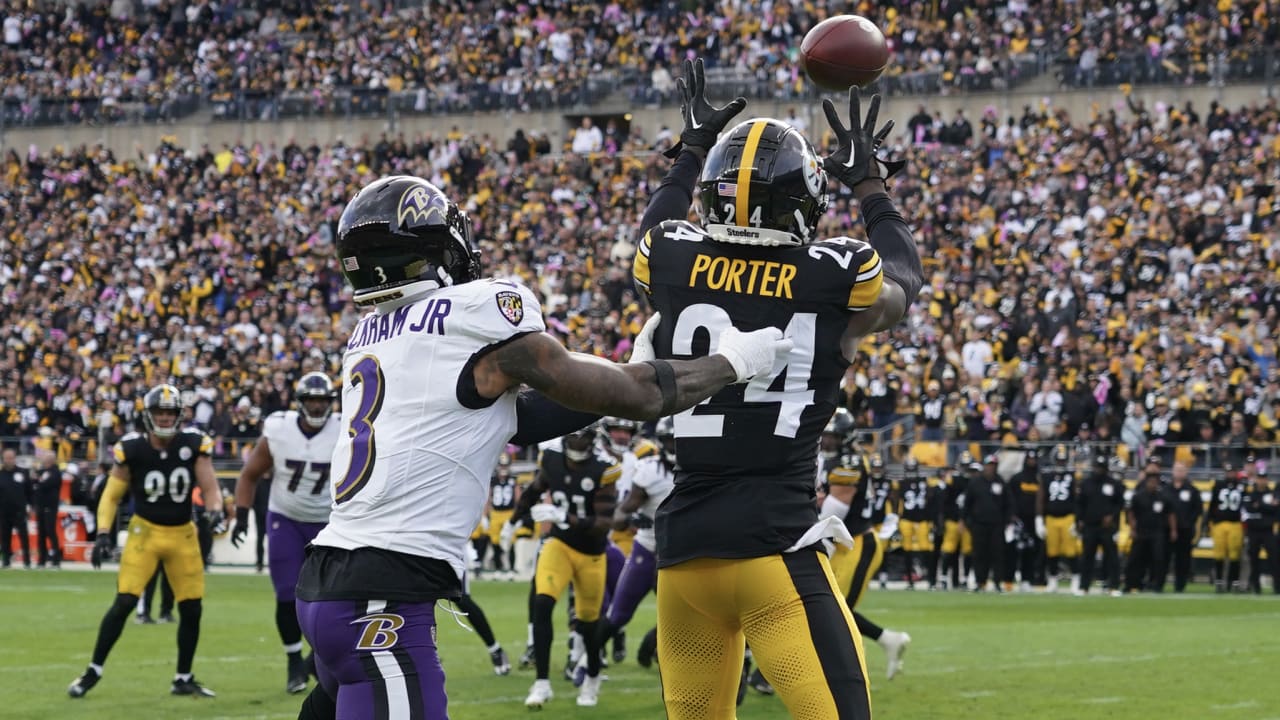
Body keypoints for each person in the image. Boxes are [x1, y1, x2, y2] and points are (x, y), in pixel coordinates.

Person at [291, 174, 788, 720]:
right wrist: (733, 363)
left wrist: (619, 374)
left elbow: (517, 420)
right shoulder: (477, 309)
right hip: (379, 600)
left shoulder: (372, 336)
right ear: (440, 249)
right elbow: (642, 397)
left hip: (326, 585)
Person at [638, 57, 922, 719]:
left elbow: (656, 224)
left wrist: (691, 150)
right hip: (775, 550)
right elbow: (905, 281)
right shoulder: (837, 272)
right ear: (805, 202)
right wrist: (870, 184)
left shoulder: (672, 257)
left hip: (684, 557)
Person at [68, 384, 224, 699]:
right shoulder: (132, 448)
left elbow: (209, 487)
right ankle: (93, 670)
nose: (165, 418)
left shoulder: (194, 444)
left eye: (170, 412)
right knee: (125, 600)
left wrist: (215, 512)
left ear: (179, 415)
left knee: (192, 608)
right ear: (148, 415)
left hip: (182, 534)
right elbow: (111, 495)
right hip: (145, 533)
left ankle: (183, 677)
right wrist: (101, 533)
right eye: (159, 412)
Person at [231, 372, 342, 694]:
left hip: (328, 523)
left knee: (332, 597)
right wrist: (240, 516)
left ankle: (313, 660)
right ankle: (295, 662)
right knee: (286, 594)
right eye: (312, 400)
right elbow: (249, 474)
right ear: (301, 402)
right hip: (286, 518)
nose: (318, 406)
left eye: (323, 401)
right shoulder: (279, 430)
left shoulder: (343, 428)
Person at [513, 425, 620, 708]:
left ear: (593, 437)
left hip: (591, 553)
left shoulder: (605, 468)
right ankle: (542, 682)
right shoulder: (551, 459)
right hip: (558, 545)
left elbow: (603, 525)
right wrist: (517, 518)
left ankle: (592, 678)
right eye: (573, 434)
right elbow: (535, 490)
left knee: (588, 625)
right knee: (542, 603)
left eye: (582, 434)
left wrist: (564, 516)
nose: (576, 439)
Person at [578, 417, 675, 684]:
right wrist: (633, 519)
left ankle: (652, 648)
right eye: (670, 441)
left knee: (682, 617)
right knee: (618, 614)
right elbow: (620, 514)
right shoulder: (650, 469)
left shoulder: (700, 470)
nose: (674, 447)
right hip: (648, 547)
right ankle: (587, 661)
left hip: (680, 553)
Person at [823, 448, 911, 682]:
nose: (828, 441)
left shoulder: (848, 461)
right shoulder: (825, 457)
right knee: (826, 607)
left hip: (857, 542)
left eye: (834, 437)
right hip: (840, 542)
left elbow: (834, 508)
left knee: (831, 610)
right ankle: (888, 639)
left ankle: (844, 672)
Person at [962, 455, 1013, 592]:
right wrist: (964, 520)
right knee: (979, 554)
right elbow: (967, 503)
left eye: (993, 465)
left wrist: (1008, 522)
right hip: (979, 524)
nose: (991, 467)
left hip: (997, 524)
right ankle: (980, 582)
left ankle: (997, 582)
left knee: (997, 554)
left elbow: (1008, 504)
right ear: (984, 466)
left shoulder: (1000, 482)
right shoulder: (975, 482)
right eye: (989, 465)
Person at [1076, 454, 1124, 596]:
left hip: (1107, 527)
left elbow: (1119, 503)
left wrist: (1112, 516)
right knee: (1087, 557)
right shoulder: (1086, 483)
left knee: (1112, 557)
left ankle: (1113, 586)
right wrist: (1079, 520)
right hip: (1090, 526)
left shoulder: (1113, 484)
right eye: (1097, 467)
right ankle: (1084, 587)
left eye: (1102, 468)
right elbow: (1079, 503)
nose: (1099, 470)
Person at [1037, 445, 1081, 593]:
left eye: (1063, 461)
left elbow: (1076, 498)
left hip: (1068, 516)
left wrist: (1077, 519)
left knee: (1070, 551)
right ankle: (1053, 580)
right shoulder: (1046, 476)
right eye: (1059, 460)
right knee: (1052, 551)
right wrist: (1039, 519)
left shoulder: (1071, 475)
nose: (1061, 463)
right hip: (1051, 517)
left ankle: (1076, 579)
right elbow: (1041, 498)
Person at [1124, 467, 1175, 593]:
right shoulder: (1138, 496)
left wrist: (1173, 530)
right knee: (1135, 559)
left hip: (1157, 532)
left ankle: (1157, 585)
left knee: (1158, 559)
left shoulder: (1163, 497)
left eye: (1155, 482)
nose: (1152, 484)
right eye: (1150, 481)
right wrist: (1133, 528)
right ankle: (1132, 583)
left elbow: (1170, 514)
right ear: (1146, 482)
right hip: (1141, 531)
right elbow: (1130, 513)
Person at [897, 456, 935, 590]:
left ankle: (931, 579)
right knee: (907, 549)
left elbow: (931, 499)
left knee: (926, 548)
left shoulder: (926, 481)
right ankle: (910, 579)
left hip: (922, 519)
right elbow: (898, 502)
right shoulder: (901, 483)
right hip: (907, 519)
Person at [1241, 461, 1278, 594]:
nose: (1262, 481)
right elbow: (1248, 508)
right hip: (1253, 530)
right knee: (1253, 560)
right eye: (1260, 478)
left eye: (1264, 478)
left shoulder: (1272, 494)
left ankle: (1277, 587)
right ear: (1256, 479)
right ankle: (1256, 587)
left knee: (1274, 559)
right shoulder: (1251, 494)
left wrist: (1260, 506)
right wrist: (1265, 507)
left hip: (1268, 530)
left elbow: (1275, 509)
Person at [1165, 461, 1203, 592]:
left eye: (1182, 470)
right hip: (1166, 530)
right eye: (1177, 469)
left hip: (1185, 530)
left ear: (1186, 472)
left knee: (1183, 559)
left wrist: (1188, 522)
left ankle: (1180, 585)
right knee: (1164, 556)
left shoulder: (1192, 490)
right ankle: (1159, 582)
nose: (1179, 472)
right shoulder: (1166, 489)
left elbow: (1198, 510)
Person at [1207, 461, 1244, 592]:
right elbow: (1212, 505)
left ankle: (1233, 582)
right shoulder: (1218, 485)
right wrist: (1209, 521)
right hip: (1220, 523)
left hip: (1235, 523)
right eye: (1228, 472)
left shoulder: (1241, 486)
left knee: (1235, 554)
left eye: (1232, 471)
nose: (1230, 474)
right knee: (1219, 554)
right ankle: (1219, 582)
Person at [939, 454, 974, 590]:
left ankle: (965, 579)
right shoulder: (953, 480)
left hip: (968, 522)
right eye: (964, 466)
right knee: (948, 549)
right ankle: (943, 578)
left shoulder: (974, 481)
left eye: (967, 466)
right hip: (953, 520)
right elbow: (945, 501)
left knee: (967, 550)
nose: (965, 469)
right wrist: (943, 518)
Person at [1011, 450, 1043, 590]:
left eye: (1034, 459)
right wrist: (1012, 516)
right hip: (1019, 520)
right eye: (1029, 459)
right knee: (1016, 550)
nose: (1032, 462)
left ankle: (1029, 579)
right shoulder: (1017, 478)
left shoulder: (1040, 479)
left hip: (1035, 521)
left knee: (1034, 550)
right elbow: (1010, 498)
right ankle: (1011, 578)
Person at [0, 448, 32, 569]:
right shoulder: (1, 474)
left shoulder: (23, 473)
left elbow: (29, 491)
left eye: (11, 458)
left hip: (19, 511)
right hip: (3, 511)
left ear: (15, 458)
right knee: (5, 537)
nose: (9, 460)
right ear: (3, 459)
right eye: (7, 458)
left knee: (24, 536)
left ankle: (27, 562)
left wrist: (30, 505)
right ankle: (6, 561)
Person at [33, 450, 62, 569]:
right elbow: (34, 480)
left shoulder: (56, 472)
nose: (45, 460)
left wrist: (38, 481)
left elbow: (46, 484)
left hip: (50, 506)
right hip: (41, 506)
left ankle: (56, 559)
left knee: (50, 531)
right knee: (41, 534)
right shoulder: (42, 471)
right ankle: (42, 560)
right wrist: (38, 481)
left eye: (47, 458)